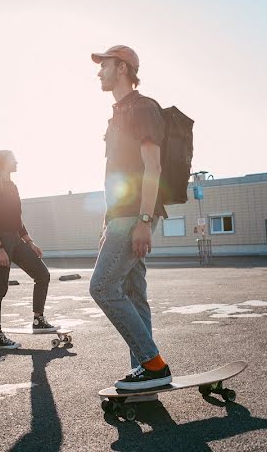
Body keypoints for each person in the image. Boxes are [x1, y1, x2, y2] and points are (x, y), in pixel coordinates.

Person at [89, 44, 172, 391]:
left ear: (122, 68)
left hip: (134, 216)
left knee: (102, 287)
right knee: (134, 294)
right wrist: (108, 221)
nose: (98, 71)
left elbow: (152, 167)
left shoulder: (143, 108)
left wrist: (143, 219)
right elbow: (116, 175)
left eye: (104, 65)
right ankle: (144, 370)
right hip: (120, 217)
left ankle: (153, 365)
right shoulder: (117, 114)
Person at [0, 150, 55, 350]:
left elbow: (17, 219)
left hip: (16, 239)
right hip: (1, 241)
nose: (17, 162)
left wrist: (30, 243)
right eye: (13, 159)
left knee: (42, 274)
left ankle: (38, 319)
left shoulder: (13, 187)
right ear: (4, 163)